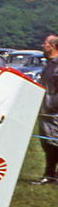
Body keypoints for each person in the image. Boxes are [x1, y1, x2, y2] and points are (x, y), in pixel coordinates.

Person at [32, 34, 58, 185]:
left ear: (52, 46)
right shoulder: (49, 64)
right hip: (45, 111)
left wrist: (53, 106)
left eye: (45, 43)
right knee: (47, 144)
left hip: (54, 111)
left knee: (55, 144)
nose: (43, 45)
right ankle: (49, 175)